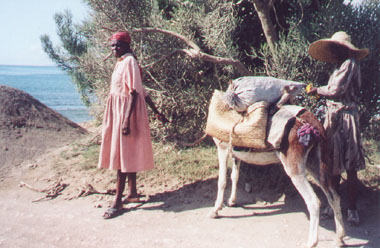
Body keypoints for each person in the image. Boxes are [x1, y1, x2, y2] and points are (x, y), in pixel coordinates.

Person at [98, 31, 167, 219]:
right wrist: (157, 111)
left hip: (126, 113)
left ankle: (118, 202)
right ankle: (133, 193)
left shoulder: (129, 62)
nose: (114, 48)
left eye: (118, 45)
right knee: (126, 152)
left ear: (127, 45)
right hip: (121, 112)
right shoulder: (122, 62)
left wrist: (126, 120)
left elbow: (134, 93)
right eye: (112, 45)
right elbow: (143, 90)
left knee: (122, 156)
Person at [307, 31, 369, 225]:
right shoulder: (340, 66)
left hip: (347, 118)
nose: (334, 51)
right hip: (334, 117)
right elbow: (332, 90)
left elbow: (336, 90)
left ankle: (351, 209)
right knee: (332, 163)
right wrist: (318, 93)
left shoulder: (350, 64)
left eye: (336, 47)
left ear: (344, 48)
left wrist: (318, 90)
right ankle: (333, 204)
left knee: (349, 165)